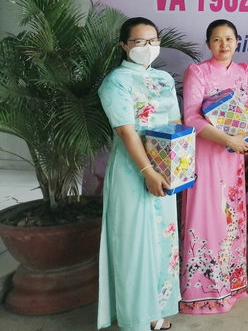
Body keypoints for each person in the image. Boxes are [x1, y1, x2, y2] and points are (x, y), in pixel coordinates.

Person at [97, 17, 180, 331]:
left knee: (162, 241)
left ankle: (155, 313)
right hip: (133, 171)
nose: (148, 47)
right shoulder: (115, 82)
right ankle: (135, 320)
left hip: (165, 168)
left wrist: (179, 165)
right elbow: (126, 131)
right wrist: (147, 171)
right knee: (134, 244)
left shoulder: (163, 78)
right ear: (124, 45)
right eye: (140, 41)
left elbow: (175, 123)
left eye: (153, 40)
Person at [179, 19, 248, 313]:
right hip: (208, 154)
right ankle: (203, 292)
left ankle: (231, 285)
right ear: (208, 43)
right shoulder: (198, 72)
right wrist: (226, 139)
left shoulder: (243, 72)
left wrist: (245, 138)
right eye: (217, 39)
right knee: (207, 215)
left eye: (229, 39)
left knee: (230, 218)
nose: (224, 45)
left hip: (233, 157)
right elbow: (191, 118)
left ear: (237, 41)